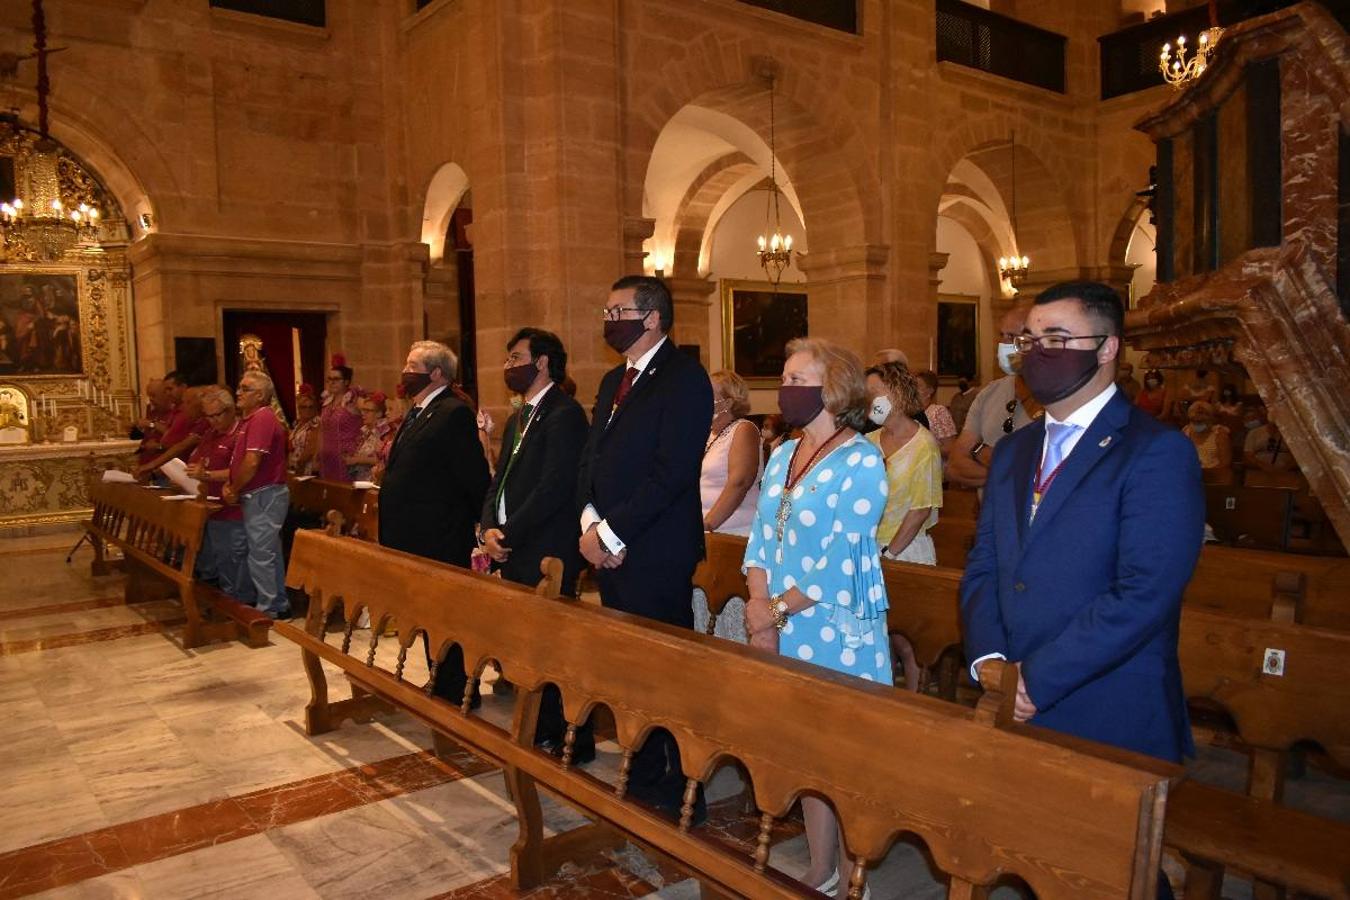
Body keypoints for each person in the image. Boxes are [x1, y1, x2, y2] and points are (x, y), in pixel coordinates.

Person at [960, 281, 1203, 771]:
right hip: (1011, 694)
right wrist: (988, 658)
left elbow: (1145, 590)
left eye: (1057, 338)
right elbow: (985, 561)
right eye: (1029, 339)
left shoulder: (1156, 451)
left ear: (1108, 347)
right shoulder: (1013, 450)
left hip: (1108, 705)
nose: (1036, 351)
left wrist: (1038, 678)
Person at [743, 337, 892, 896]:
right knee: (801, 752)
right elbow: (760, 538)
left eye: (797, 377)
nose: (786, 388)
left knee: (844, 758)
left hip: (835, 629)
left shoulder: (862, 458)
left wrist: (772, 612)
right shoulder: (783, 452)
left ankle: (856, 875)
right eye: (784, 376)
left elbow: (843, 562)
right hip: (781, 620)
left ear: (833, 389)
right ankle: (820, 865)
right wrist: (761, 608)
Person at [576, 275, 712, 822]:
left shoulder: (684, 378)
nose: (609, 322)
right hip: (609, 548)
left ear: (652, 317)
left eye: (618, 312)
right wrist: (590, 524)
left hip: (655, 552)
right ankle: (643, 769)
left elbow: (672, 472)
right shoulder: (613, 380)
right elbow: (591, 458)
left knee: (666, 676)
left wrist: (612, 534)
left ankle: (682, 787)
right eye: (607, 312)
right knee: (629, 672)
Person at [479, 327, 589, 758]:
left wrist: (509, 533)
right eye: (507, 359)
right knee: (527, 643)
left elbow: (554, 487)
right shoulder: (520, 416)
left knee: (553, 647)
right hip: (514, 545)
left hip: (546, 547)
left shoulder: (564, 414)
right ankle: (539, 726)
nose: (509, 366)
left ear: (542, 362)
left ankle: (569, 738)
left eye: (516, 358)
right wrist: (488, 527)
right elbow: (499, 479)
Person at [381, 340, 490, 704]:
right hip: (413, 534)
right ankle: (438, 679)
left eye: (413, 366)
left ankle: (457, 689)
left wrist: (480, 524)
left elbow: (472, 476)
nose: (405, 372)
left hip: (439, 535)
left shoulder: (452, 412)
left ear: (437, 373)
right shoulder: (418, 411)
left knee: (446, 616)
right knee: (428, 615)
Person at [865, 361, 943, 693]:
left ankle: (914, 703)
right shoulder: (868, 441)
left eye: (874, 394)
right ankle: (884, 699)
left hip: (906, 550)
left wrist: (890, 553)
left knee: (908, 640)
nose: (869, 402)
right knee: (879, 636)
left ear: (896, 393)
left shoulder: (923, 444)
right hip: (871, 549)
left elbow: (920, 509)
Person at [693, 370, 762, 641]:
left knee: (730, 612)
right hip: (707, 536)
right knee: (705, 611)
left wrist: (707, 523)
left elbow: (739, 482)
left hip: (733, 534)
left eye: (708, 393)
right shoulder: (708, 434)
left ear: (729, 400)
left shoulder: (743, 429)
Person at [222, 371, 292, 620]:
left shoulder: (262, 418)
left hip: (265, 494)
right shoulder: (250, 420)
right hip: (260, 494)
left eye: (245, 389)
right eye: (239, 387)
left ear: (260, 395)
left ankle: (268, 608)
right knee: (267, 550)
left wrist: (235, 488)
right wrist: (230, 483)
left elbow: (252, 462)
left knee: (261, 554)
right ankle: (277, 603)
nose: (238, 392)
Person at [947, 305, 1039, 488]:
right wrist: (1009, 477)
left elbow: (1044, 473)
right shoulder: (989, 393)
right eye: (1002, 335)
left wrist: (978, 452)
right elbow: (955, 467)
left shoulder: (1057, 397)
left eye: (1012, 336)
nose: (1004, 344)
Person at [187, 387, 250, 602]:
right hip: (212, 507)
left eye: (217, 415)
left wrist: (207, 474)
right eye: (208, 416)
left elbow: (241, 471)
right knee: (221, 559)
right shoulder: (210, 435)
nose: (212, 421)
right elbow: (198, 459)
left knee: (237, 558)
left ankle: (242, 606)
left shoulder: (241, 434)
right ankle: (228, 602)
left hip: (234, 509)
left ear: (231, 410)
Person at [317, 354, 362, 482]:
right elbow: (321, 430)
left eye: (336, 379)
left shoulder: (354, 401)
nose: (331, 382)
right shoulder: (327, 402)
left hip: (345, 459)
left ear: (346, 382)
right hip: (326, 459)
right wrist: (317, 455)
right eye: (329, 379)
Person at [345, 391, 391, 482]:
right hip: (360, 479)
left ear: (379, 413)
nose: (363, 414)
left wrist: (358, 460)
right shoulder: (365, 431)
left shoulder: (385, 432)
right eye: (362, 410)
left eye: (367, 411)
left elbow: (383, 458)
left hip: (374, 480)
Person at [1182, 401, 1232, 481]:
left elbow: (1225, 463)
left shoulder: (1219, 434)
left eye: (1201, 421)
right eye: (1195, 421)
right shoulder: (1185, 432)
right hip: (1190, 476)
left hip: (1214, 475)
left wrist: (1206, 474)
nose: (1198, 424)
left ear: (1211, 420)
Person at [914, 369, 957, 456]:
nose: (913, 389)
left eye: (917, 386)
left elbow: (950, 448)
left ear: (930, 390)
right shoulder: (911, 412)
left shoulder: (939, 412)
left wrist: (922, 449)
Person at [288, 384, 320, 475]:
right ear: (298, 408)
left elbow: (310, 449)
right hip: (294, 468)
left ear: (315, 408)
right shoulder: (297, 423)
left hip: (307, 469)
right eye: (303, 407)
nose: (307, 410)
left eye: (311, 407)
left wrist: (299, 467)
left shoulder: (316, 423)